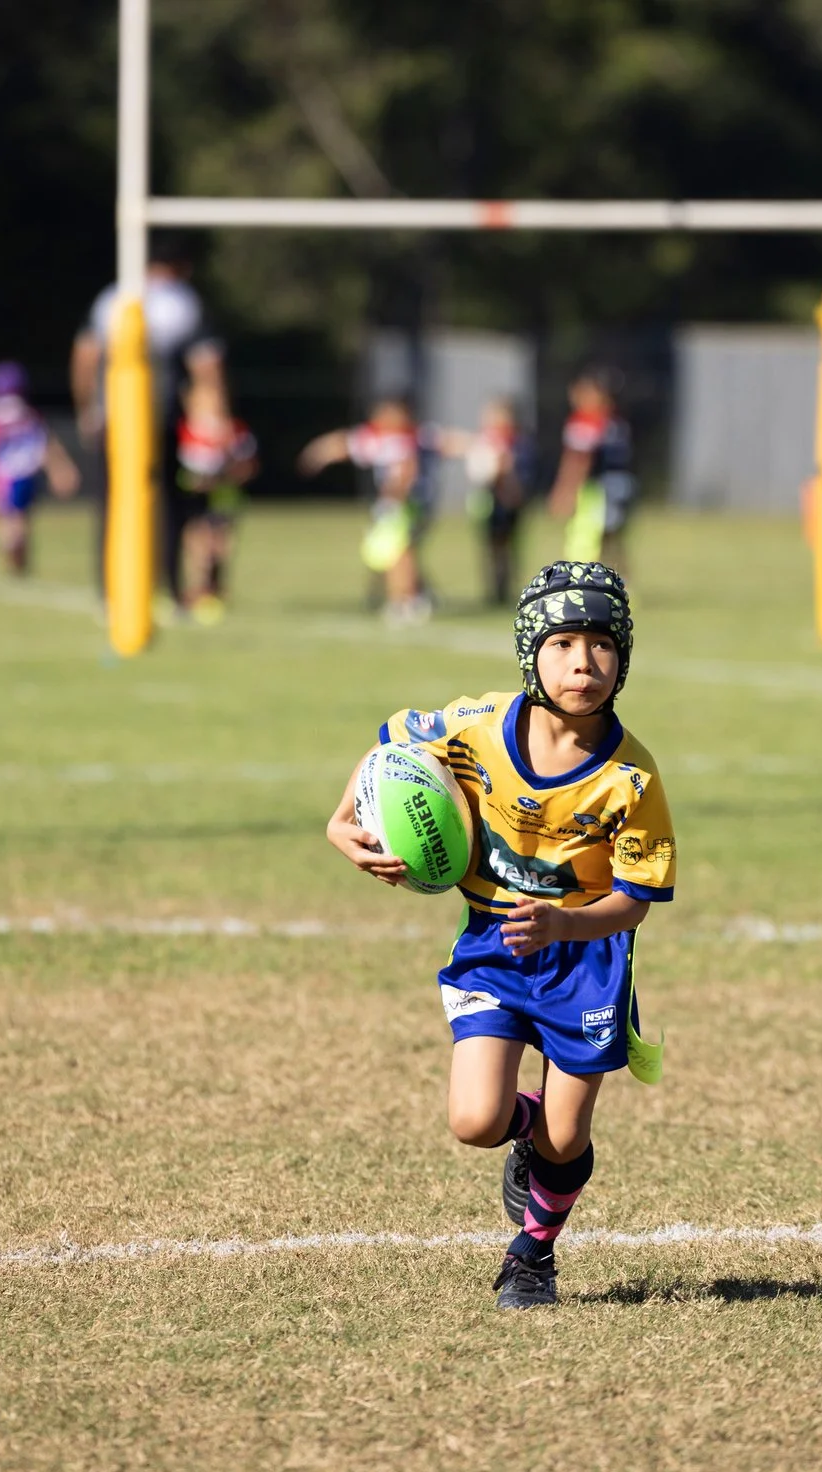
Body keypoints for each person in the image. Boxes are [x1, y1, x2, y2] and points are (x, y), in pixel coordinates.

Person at [326, 561, 673, 1309]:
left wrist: (566, 921)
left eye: (601, 645)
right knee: (476, 1119)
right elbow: (390, 744)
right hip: (495, 943)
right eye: (563, 644)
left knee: (568, 1135)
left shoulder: (633, 778)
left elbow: (636, 901)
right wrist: (340, 820)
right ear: (530, 655)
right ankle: (529, 1136)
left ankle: (531, 1258)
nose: (583, 662)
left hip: (586, 957)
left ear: (624, 656)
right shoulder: (477, 724)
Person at [73, 250, 204, 596]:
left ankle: (111, 588)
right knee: (172, 506)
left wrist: (87, 409)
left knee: (113, 503)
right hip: (163, 419)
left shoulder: (112, 298)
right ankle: (170, 586)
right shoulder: (178, 302)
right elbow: (206, 364)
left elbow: (85, 357)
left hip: (117, 419)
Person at [299, 396, 438, 625]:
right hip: (392, 506)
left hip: (405, 505)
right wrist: (317, 454)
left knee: (400, 554)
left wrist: (398, 493)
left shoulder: (409, 438)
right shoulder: (378, 438)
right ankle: (408, 597)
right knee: (395, 554)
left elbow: (408, 470)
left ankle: (405, 600)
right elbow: (342, 443)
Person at [170, 342, 258, 622]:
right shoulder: (182, 432)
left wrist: (227, 472)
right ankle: (197, 590)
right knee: (197, 544)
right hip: (194, 496)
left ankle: (215, 590)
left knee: (219, 546)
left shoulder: (234, 433)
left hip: (223, 496)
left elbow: (248, 466)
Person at [0, 362, 79, 579]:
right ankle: (18, 563)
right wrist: (61, 468)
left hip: (1, 475)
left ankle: (12, 552)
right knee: (20, 520)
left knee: (7, 521)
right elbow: (46, 443)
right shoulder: (29, 414)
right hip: (25, 474)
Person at [547, 369, 634, 569]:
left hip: (599, 491)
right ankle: (620, 582)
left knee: (592, 540)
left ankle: (602, 583)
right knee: (611, 539)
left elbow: (578, 459)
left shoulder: (587, 421)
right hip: (618, 486)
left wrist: (565, 491)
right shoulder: (615, 420)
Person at [462, 396, 530, 605]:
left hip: (508, 503)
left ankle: (507, 586)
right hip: (489, 502)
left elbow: (519, 475)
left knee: (508, 546)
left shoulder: (517, 442)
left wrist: (507, 480)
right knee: (491, 546)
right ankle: (494, 589)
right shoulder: (485, 441)